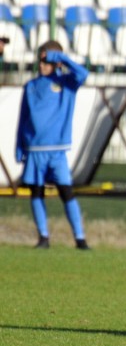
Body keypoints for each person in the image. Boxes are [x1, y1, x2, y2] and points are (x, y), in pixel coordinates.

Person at [15, 40, 90, 250]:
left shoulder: (67, 83)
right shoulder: (30, 87)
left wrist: (62, 58)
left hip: (57, 151)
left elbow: (84, 74)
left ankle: (80, 238)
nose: (42, 65)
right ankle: (43, 237)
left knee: (66, 191)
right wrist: (20, 145)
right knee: (36, 192)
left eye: (47, 61)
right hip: (35, 150)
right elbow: (23, 118)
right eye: (41, 60)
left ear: (56, 62)